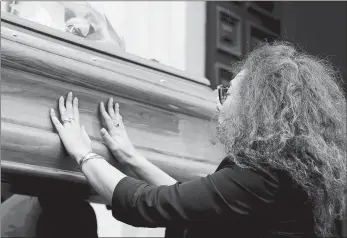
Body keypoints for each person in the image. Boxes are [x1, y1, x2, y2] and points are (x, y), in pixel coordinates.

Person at [48, 41, 346, 238]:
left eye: (228, 93)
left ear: (258, 107)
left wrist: (83, 153)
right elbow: (189, 201)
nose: (219, 103)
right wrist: (130, 157)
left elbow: (149, 204)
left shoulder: (263, 179)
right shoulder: (283, 176)